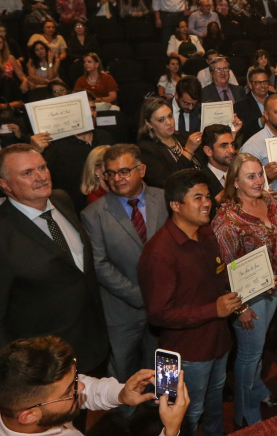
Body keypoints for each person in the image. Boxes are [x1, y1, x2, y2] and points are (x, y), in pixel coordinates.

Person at [138, 169, 242, 436]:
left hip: (218, 343)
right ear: (176, 205)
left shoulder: (206, 234)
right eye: (197, 198)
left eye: (207, 196)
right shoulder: (159, 253)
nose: (207, 203)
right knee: (182, 416)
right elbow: (158, 315)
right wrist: (214, 310)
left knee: (214, 405)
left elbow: (217, 280)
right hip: (182, 356)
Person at [0, 144, 109, 373]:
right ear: (5, 185)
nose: (40, 177)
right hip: (44, 365)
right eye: (27, 173)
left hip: (92, 346)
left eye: (42, 167)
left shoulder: (62, 200)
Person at [81, 145, 166, 387]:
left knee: (163, 363)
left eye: (125, 171)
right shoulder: (93, 214)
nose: (117, 179)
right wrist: (141, 297)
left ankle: (164, 410)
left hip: (167, 305)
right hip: (123, 311)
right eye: (110, 173)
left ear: (142, 170)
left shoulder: (164, 198)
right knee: (123, 371)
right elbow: (99, 264)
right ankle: (124, 418)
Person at [212, 154, 277, 427]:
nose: (257, 181)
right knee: (249, 353)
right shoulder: (227, 220)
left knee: (259, 347)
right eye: (250, 176)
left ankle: (257, 389)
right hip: (246, 297)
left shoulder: (268, 201)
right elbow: (224, 270)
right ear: (235, 181)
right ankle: (245, 412)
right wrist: (239, 307)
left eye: (259, 175)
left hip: (272, 288)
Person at [0, 335, 189, 436]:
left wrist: (122, 394)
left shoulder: (33, 402)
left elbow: (90, 388)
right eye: (69, 391)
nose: (81, 387)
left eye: (75, 379)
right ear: (28, 416)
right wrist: (171, 431)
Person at [137, 97, 202, 189]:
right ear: (149, 123)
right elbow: (166, 182)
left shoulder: (184, 136)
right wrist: (188, 151)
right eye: (161, 120)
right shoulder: (146, 148)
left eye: (170, 116)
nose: (169, 123)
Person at [235, 67, 271, 144]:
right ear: (251, 85)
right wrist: (260, 122)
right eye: (258, 83)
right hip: (254, 145)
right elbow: (244, 130)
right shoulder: (241, 105)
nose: (262, 85)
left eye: (265, 82)